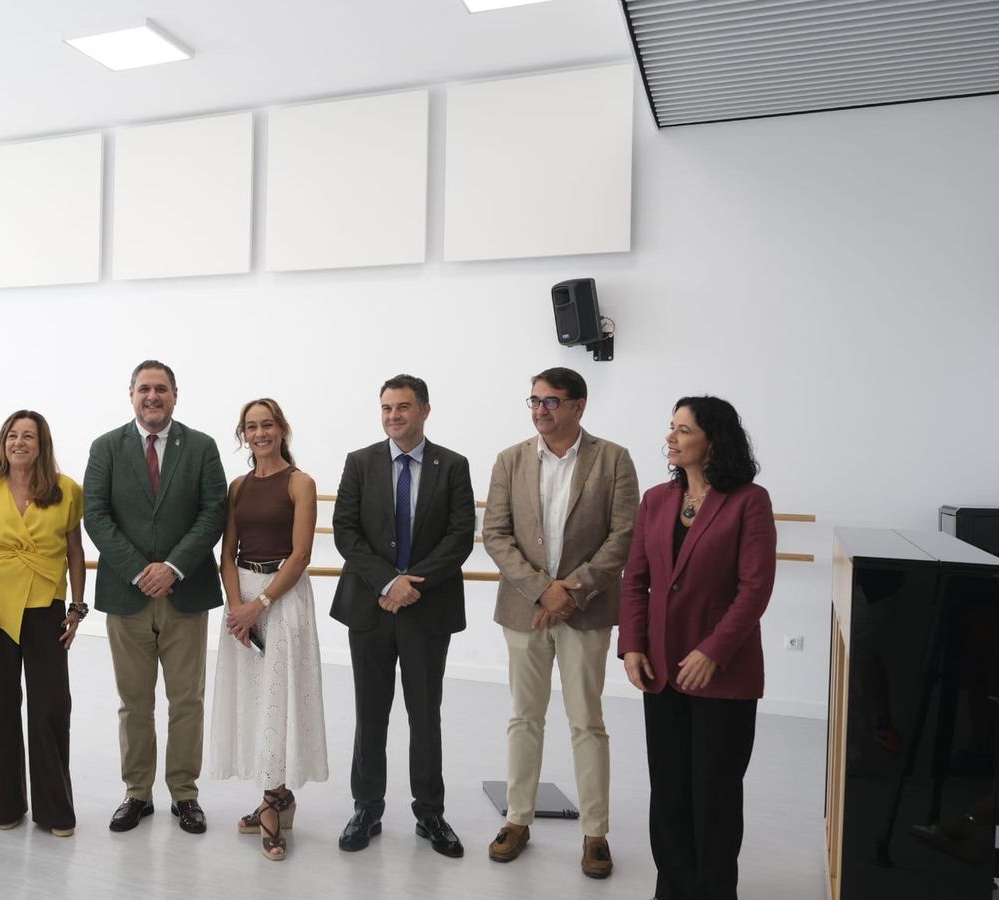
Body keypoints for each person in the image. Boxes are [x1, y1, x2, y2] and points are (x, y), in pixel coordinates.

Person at [480, 367, 639, 877]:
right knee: (524, 717)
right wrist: (540, 589)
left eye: (551, 401)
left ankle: (595, 832)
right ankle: (518, 819)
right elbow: (495, 534)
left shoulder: (613, 459)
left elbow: (623, 535)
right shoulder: (509, 460)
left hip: (585, 611)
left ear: (578, 406)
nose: (540, 409)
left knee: (586, 721)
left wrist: (571, 591)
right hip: (523, 609)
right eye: (534, 400)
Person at [619, 395, 776, 900]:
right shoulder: (656, 500)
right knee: (668, 793)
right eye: (671, 427)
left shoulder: (749, 501)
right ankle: (672, 890)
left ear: (713, 439)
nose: (671, 437)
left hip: (723, 675)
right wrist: (632, 645)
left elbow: (755, 588)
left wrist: (713, 651)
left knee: (715, 795)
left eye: (683, 429)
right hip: (661, 670)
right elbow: (635, 580)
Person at [331, 373, 475, 858]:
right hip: (370, 608)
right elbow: (345, 531)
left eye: (404, 407)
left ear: (425, 410)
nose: (394, 415)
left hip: (427, 610)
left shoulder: (452, 465)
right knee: (370, 713)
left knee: (425, 714)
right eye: (387, 408)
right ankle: (366, 808)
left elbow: (460, 535)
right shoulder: (360, 462)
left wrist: (413, 584)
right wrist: (388, 582)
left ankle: (430, 812)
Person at [83, 360, 227, 834]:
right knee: (134, 702)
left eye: (161, 388)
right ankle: (137, 793)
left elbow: (213, 513)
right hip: (127, 594)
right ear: (131, 394)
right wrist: (140, 570)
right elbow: (96, 515)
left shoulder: (201, 447)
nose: (152, 396)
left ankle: (184, 793)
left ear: (175, 395)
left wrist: (173, 567)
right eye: (144, 388)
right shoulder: (106, 447)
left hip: (186, 592)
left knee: (187, 700)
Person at [0, 410, 87, 836]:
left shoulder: (65, 490)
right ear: (3, 442)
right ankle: (6, 806)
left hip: (46, 604)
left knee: (50, 705)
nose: (19, 443)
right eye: (12, 435)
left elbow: (74, 551)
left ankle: (55, 810)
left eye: (28, 436)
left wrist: (77, 607)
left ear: (41, 443)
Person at [209, 398, 328, 861]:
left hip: (283, 598)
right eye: (251, 427)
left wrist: (259, 605)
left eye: (267, 425)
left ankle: (272, 804)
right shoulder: (238, 486)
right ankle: (277, 798)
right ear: (244, 435)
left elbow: (301, 556)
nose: (260, 433)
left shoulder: (300, 482)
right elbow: (227, 553)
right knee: (253, 698)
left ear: (282, 429)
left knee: (278, 697)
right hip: (243, 600)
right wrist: (237, 607)